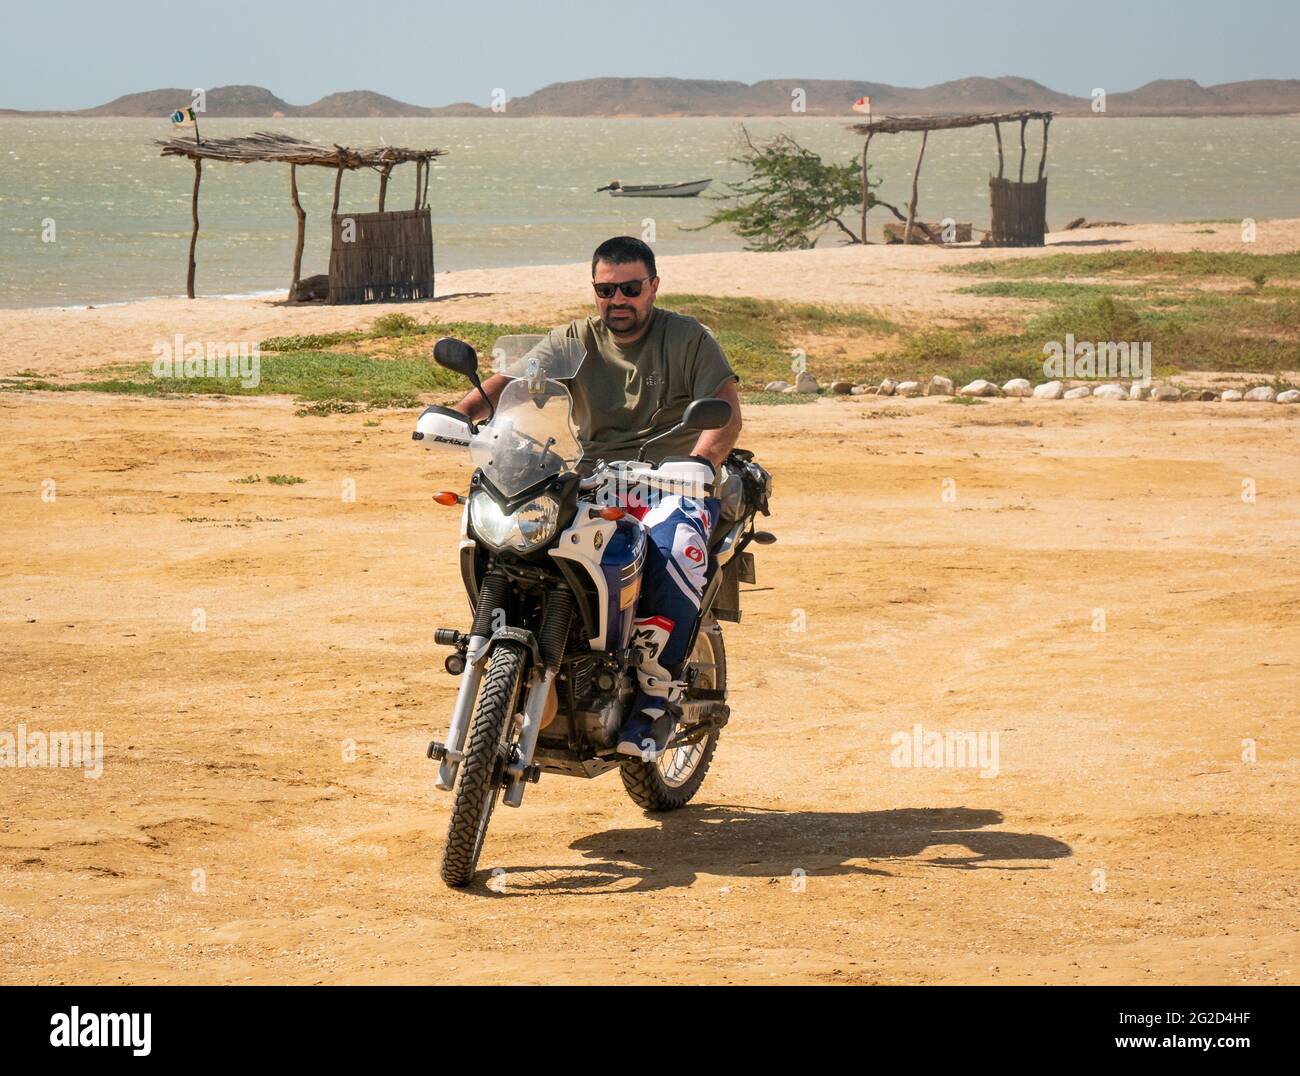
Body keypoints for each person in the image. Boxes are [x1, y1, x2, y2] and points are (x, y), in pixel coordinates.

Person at [451, 236, 743, 757]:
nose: (618, 300)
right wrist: (459, 416)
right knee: (515, 536)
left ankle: (658, 695)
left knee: (674, 549)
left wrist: (700, 465)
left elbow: (725, 412)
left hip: (669, 479)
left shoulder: (688, 338)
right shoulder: (575, 339)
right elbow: (508, 383)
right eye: (605, 290)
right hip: (592, 476)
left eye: (630, 288)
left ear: (653, 286)